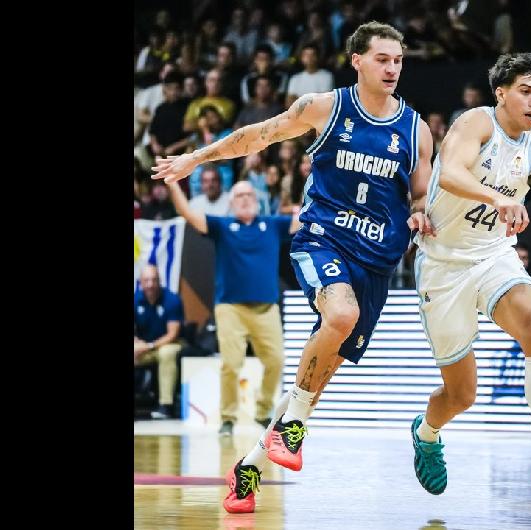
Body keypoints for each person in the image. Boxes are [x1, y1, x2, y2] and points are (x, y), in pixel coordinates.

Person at [152, 21, 435, 514]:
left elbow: (419, 193)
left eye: (399, 60)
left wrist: (420, 212)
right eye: (383, 59)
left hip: (377, 260)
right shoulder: (325, 107)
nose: (392, 68)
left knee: (317, 377)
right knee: (340, 316)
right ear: (357, 61)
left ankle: (250, 467)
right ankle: (293, 428)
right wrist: (196, 158)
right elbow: (255, 136)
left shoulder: (416, 130)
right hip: (323, 237)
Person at [410, 52, 531, 504]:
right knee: (461, 395)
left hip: (493, 256)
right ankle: (427, 432)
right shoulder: (476, 123)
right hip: (444, 266)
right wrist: (498, 199)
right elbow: (450, 174)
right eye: (526, 91)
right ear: (501, 93)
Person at [168, 178, 300, 438]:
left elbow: (304, 220)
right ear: (231, 202)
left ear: (256, 199)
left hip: (266, 308)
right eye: (239, 195)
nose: (245, 199)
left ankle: (263, 412)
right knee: (231, 364)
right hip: (230, 308)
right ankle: (227, 418)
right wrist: (173, 185)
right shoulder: (222, 226)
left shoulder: (273, 225)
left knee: (276, 361)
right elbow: (187, 214)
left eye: (249, 194)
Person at [134, 264, 184, 420]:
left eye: (154, 280)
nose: (150, 284)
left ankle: (166, 406)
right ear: (140, 282)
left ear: (160, 281)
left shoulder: (172, 300)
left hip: (169, 344)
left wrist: (148, 346)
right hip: (145, 347)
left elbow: (173, 334)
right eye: (147, 280)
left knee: (166, 353)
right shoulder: (136, 299)